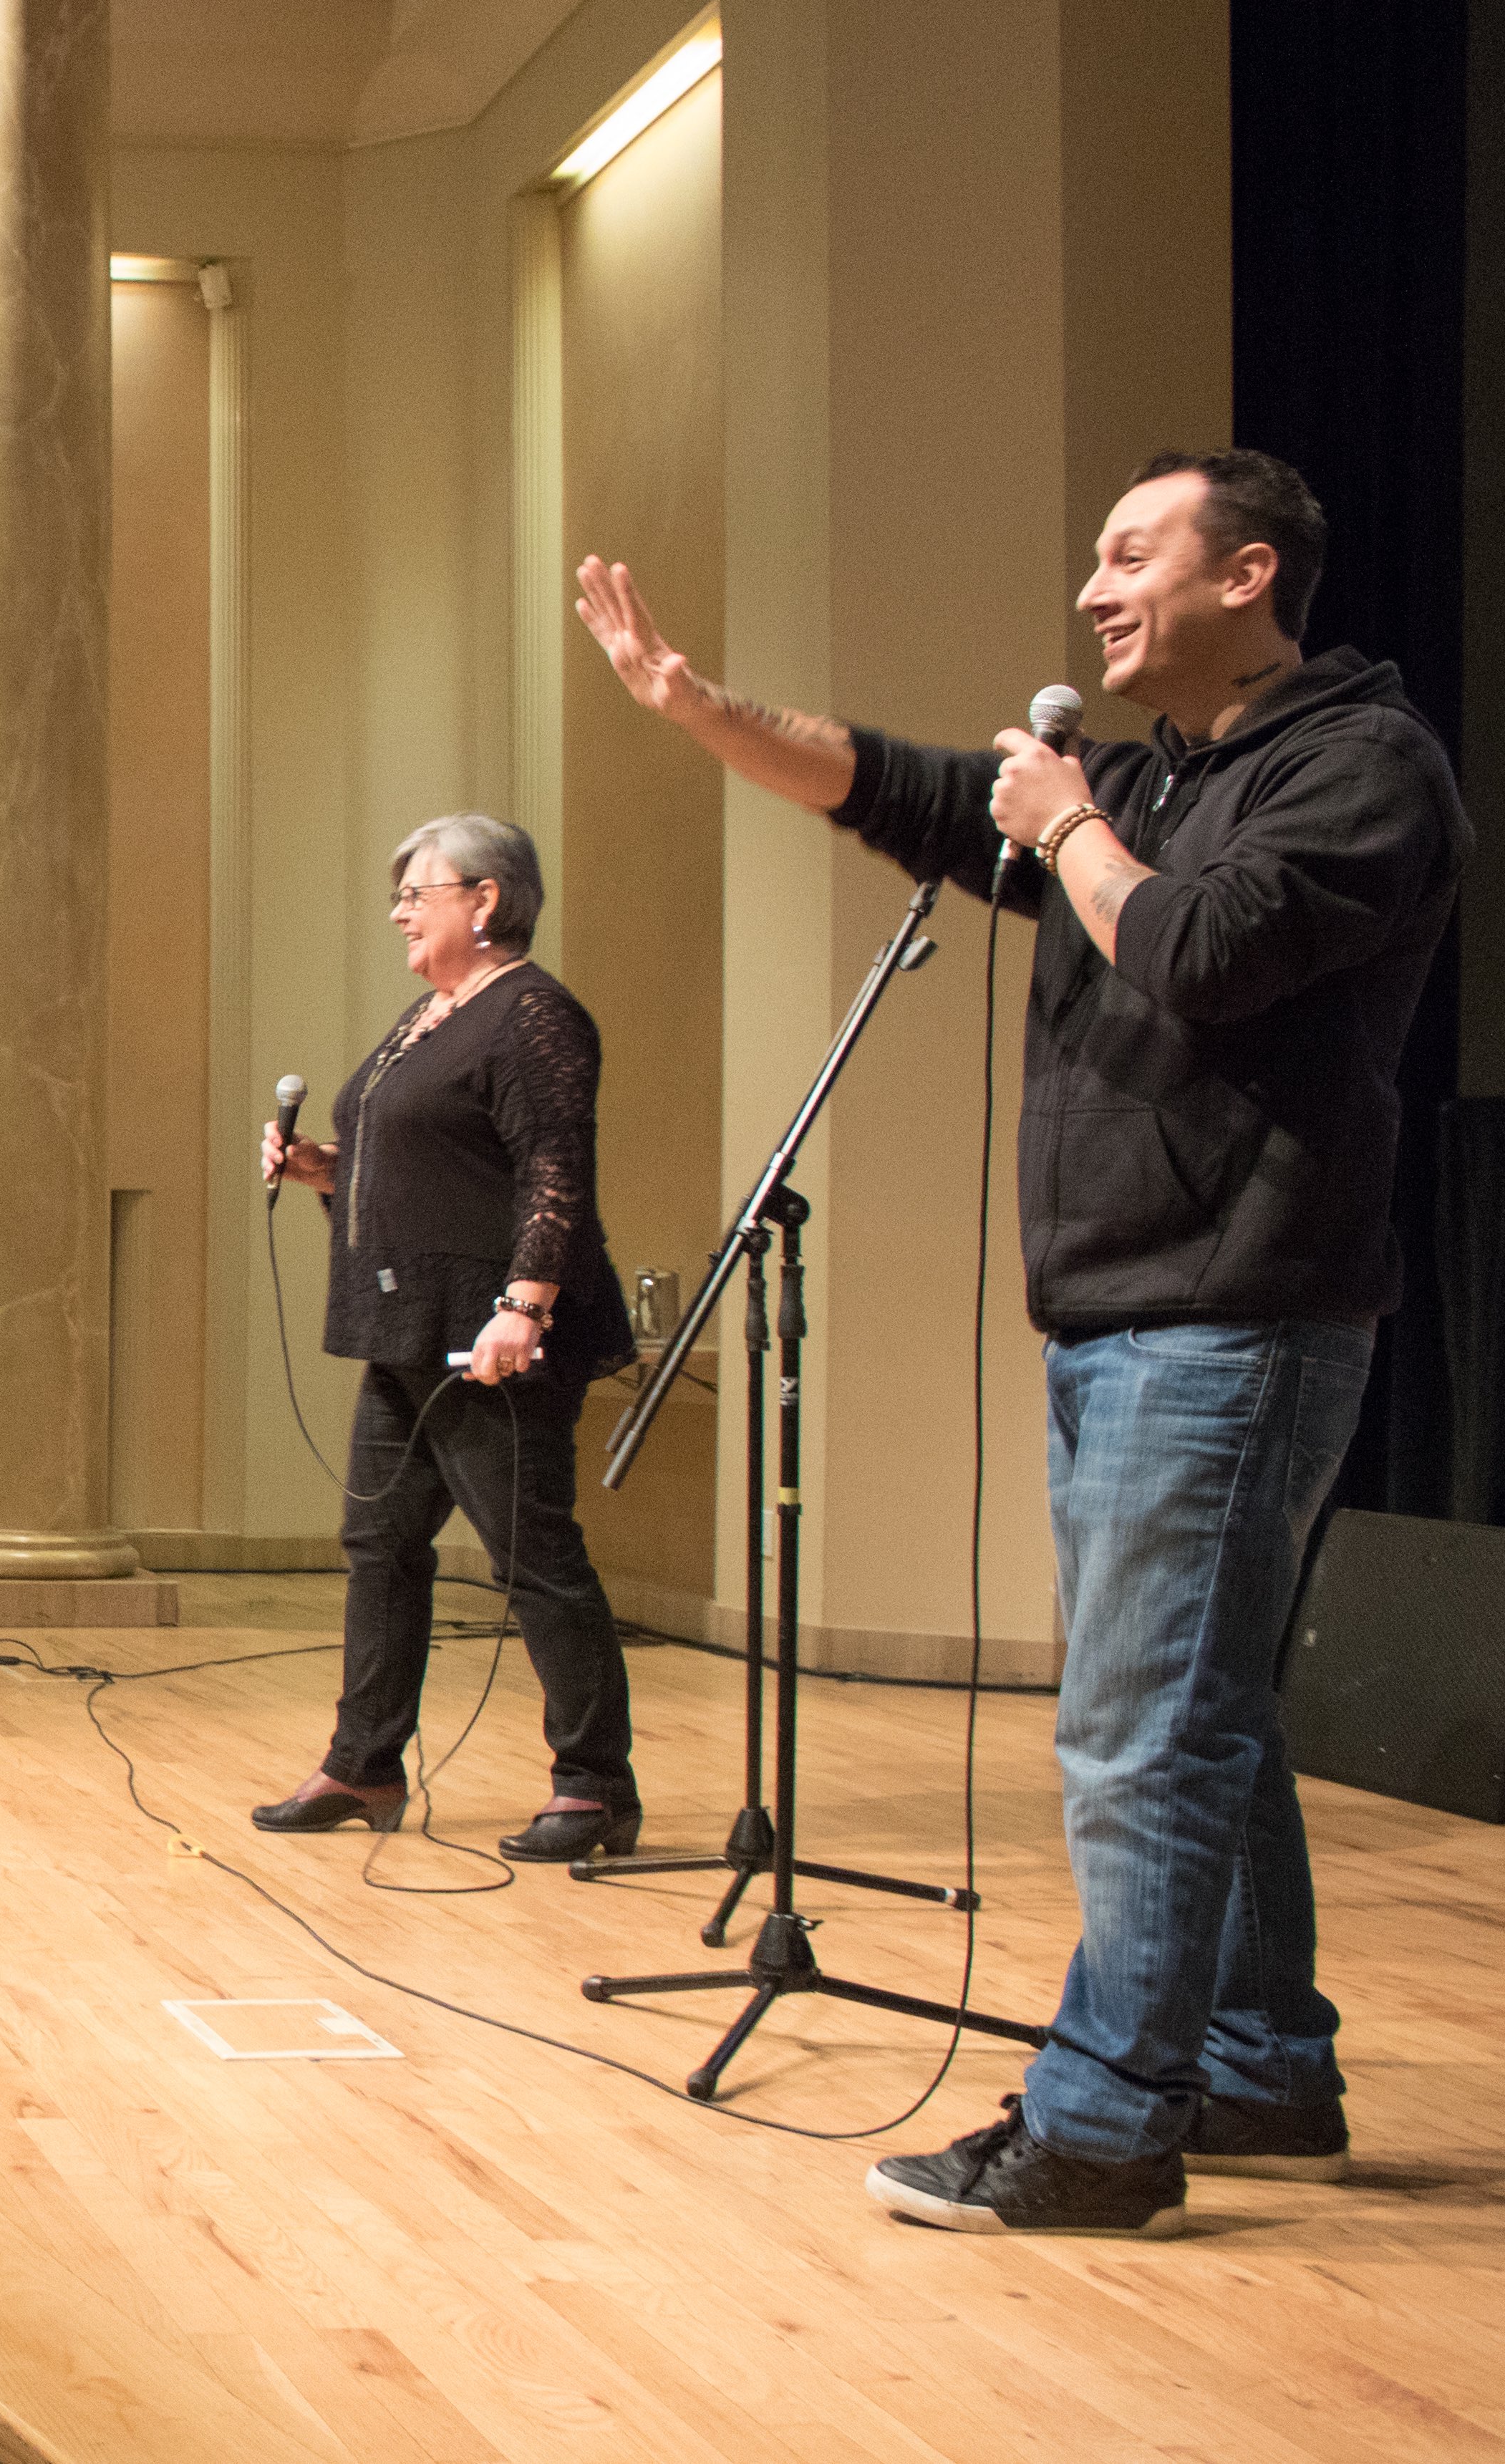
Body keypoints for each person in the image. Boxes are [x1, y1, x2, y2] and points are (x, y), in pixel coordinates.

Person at [576, 448, 1471, 2238]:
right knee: (1200, 1714)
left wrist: (1062, 825)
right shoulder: (1147, 778)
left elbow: (1199, 952)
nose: (1090, 589)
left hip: (1232, 1317)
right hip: (1125, 1313)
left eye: (1129, 554)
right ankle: (1256, 2062)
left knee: (1138, 1734)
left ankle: (1100, 2127)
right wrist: (695, 708)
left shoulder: (1360, 766)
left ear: (1246, 573)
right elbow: (904, 791)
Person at [253, 815, 642, 1865]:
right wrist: (324, 1169)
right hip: (408, 1331)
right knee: (379, 1545)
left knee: (532, 1556)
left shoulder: (534, 1014)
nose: (398, 913)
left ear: (485, 898)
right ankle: (365, 1762)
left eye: (415, 893)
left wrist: (525, 1304)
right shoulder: (429, 1017)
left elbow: (555, 1167)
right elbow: (431, 1167)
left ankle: (595, 1786)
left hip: (491, 1338)